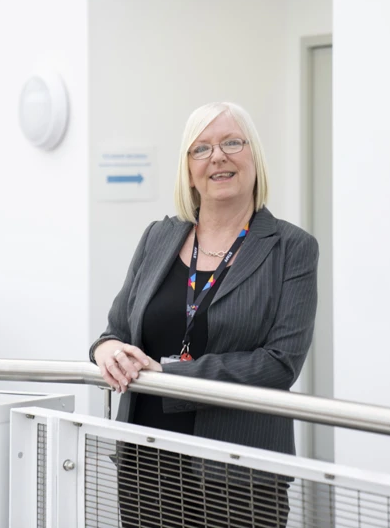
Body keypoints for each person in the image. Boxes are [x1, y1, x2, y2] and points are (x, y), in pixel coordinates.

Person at [89, 102, 319, 528]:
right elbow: (116, 330)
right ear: (188, 168)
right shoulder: (159, 236)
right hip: (147, 459)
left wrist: (168, 374)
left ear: (254, 157)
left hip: (237, 473)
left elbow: (280, 363)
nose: (218, 157)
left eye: (232, 142)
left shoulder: (291, 248)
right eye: (202, 148)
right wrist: (105, 350)